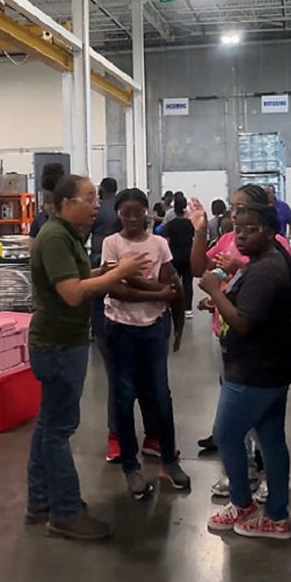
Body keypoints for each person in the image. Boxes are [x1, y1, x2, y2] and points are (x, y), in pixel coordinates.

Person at [26, 175, 150, 540]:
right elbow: (72, 293)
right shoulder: (55, 238)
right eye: (90, 198)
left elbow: (77, 278)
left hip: (62, 342)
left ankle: (40, 501)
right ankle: (65, 513)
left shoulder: (66, 236)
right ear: (66, 203)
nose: (97, 205)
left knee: (48, 425)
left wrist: (106, 272)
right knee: (58, 430)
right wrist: (119, 274)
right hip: (59, 344)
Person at [200, 203, 291, 539]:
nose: (241, 236)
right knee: (270, 438)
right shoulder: (263, 263)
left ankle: (242, 503)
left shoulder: (265, 270)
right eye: (237, 228)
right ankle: (276, 515)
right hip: (269, 365)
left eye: (251, 229)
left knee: (227, 434)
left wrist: (214, 292)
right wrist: (223, 298)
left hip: (254, 370)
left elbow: (243, 323)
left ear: (271, 232)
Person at [187, 185, 291, 491]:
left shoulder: (275, 248)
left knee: (251, 424)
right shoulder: (228, 238)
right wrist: (199, 232)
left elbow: (268, 292)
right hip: (226, 334)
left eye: (242, 209)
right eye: (233, 209)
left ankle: (262, 481)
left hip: (257, 351)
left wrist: (237, 270)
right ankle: (241, 472)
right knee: (244, 418)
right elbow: (199, 268)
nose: (235, 216)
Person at [102, 188, 191, 498]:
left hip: (154, 329)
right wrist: (157, 293)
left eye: (138, 212)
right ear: (118, 214)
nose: (132, 218)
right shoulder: (112, 244)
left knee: (160, 396)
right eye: (126, 213)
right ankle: (131, 466)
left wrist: (174, 321)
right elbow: (115, 289)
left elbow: (170, 284)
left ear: (147, 213)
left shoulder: (159, 244)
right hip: (120, 329)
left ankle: (169, 459)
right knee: (124, 397)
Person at [160, 193, 197, 320]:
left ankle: (173, 306)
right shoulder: (190, 223)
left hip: (174, 257)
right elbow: (195, 239)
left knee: (173, 283)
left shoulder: (170, 225)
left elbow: (167, 242)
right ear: (184, 207)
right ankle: (188, 309)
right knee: (188, 283)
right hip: (188, 256)